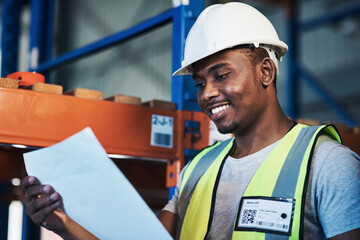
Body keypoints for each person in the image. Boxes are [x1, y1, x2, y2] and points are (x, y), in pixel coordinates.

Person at [22, 2, 360, 240]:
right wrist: (64, 224)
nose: (207, 93)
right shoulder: (198, 169)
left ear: (265, 72)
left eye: (221, 75)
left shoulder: (329, 164)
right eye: (200, 83)